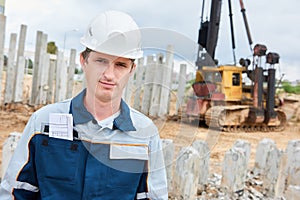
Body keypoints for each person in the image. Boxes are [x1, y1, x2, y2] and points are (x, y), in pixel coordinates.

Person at [0, 10, 168, 200]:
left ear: (132, 70)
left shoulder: (144, 135)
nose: (109, 75)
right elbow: (15, 193)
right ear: (84, 60)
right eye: (101, 61)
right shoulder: (43, 123)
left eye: (120, 65)